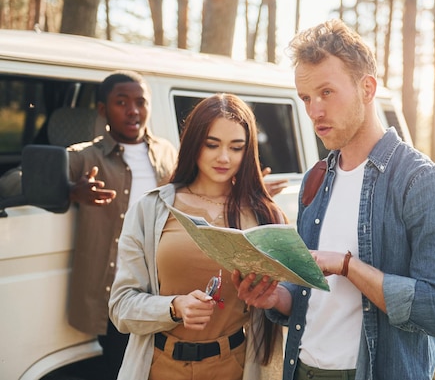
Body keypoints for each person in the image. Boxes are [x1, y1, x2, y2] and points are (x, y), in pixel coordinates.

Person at [232, 18, 435, 380]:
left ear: (367, 88)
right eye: (306, 98)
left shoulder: (424, 182)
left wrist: (347, 266)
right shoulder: (316, 178)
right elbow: (311, 294)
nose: (314, 112)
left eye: (326, 92)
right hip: (302, 370)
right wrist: (276, 298)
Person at [108, 94, 285, 380]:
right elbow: (121, 307)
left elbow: (287, 301)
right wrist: (173, 307)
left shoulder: (265, 215)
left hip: (234, 367)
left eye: (236, 147)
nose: (224, 157)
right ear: (193, 144)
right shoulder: (151, 208)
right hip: (160, 367)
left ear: (248, 150)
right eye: (211, 144)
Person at [67, 70, 178, 379]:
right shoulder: (84, 157)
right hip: (120, 292)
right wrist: (69, 191)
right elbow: (17, 181)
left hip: (164, 287)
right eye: (121, 102)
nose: (133, 111)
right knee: (122, 368)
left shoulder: (167, 153)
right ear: (103, 109)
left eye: (140, 102)